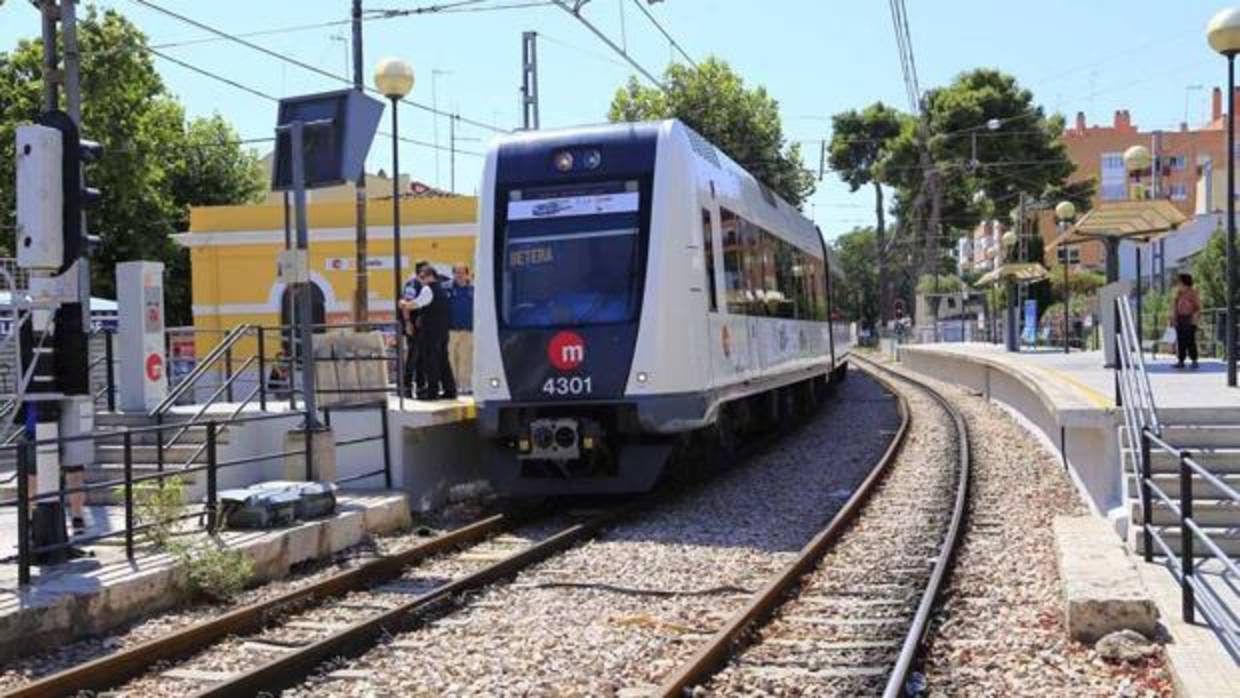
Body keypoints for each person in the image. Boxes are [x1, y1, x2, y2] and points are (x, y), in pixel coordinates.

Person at [405, 262, 457, 400]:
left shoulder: (428, 289)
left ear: (429, 276)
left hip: (430, 332)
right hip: (442, 331)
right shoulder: (442, 289)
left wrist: (404, 304)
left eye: (422, 276)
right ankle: (450, 390)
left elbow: (416, 303)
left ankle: (432, 392)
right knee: (443, 361)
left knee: (431, 361)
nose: (420, 279)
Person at [398, 262, 430, 398]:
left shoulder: (424, 285)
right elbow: (405, 305)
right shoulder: (412, 285)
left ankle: (421, 387)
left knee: (422, 357)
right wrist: (408, 323)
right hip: (413, 326)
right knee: (413, 356)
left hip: (422, 327)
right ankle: (406, 387)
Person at [448, 263, 474, 393]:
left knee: (466, 359)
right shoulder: (447, 288)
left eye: (462, 273)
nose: (459, 276)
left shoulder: (473, 290)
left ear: (467, 274)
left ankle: (465, 385)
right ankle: (452, 385)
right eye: (457, 273)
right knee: (451, 359)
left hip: (468, 330)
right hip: (451, 330)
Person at [1171, 272, 1201, 369]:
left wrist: (1194, 319)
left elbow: (1198, 307)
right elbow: (1174, 307)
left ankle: (1194, 360)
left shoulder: (1192, 292)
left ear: (1184, 282)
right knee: (1180, 341)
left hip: (1190, 318)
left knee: (1190, 340)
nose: (1177, 284)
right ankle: (1181, 360)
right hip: (1180, 318)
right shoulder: (1178, 294)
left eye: (1179, 281)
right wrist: (1173, 319)